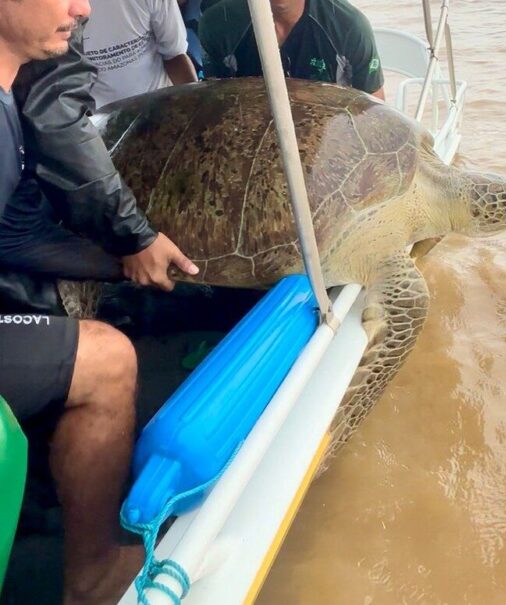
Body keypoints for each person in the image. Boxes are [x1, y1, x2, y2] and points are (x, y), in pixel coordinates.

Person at [0, 1, 199, 602]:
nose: (82, 8)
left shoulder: (11, 95)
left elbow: (15, 234)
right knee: (108, 359)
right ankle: (89, 573)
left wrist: (122, 259)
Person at [198, 0, 385, 99]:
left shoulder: (348, 26)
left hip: (328, 143)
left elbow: (373, 109)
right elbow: (216, 105)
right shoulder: (218, 25)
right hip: (250, 141)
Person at [83, 0, 198, 108]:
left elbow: (175, 55)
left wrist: (197, 103)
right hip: (101, 117)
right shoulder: (66, 9)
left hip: (161, 105)